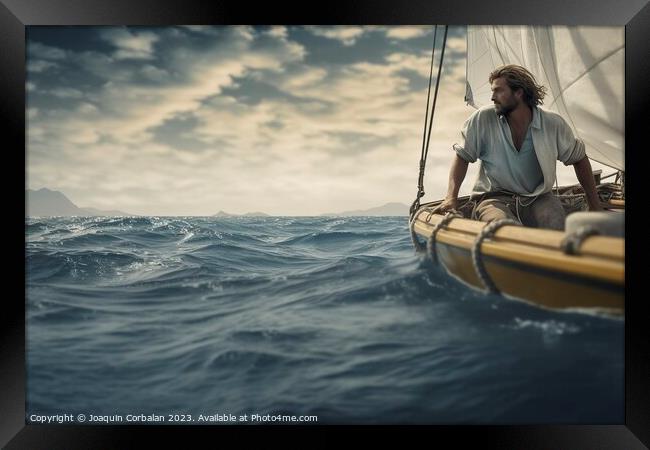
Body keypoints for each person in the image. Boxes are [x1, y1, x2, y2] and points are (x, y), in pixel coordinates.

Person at [436, 64, 602, 230]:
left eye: (498, 91)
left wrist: (594, 205)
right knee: (502, 228)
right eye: (492, 91)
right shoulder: (482, 119)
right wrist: (451, 198)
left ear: (519, 92)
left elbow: (579, 158)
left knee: (555, 223)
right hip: (493, 199)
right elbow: (462, 156)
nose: (492, 97)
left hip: (540, 197)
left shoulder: (552, 124)